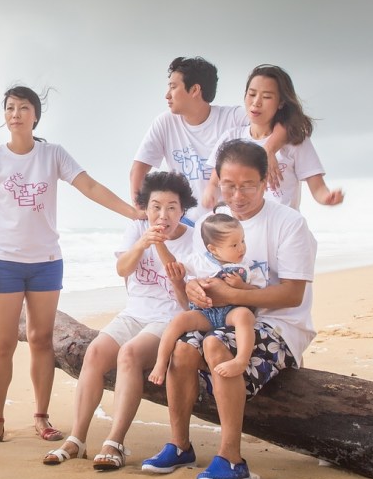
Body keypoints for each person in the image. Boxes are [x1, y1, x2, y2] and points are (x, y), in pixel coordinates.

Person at [0, 87, 145, 446]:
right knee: (3, 341)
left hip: (47, 262)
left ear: (35, 115)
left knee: (40, 339)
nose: (15, 113)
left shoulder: (52, 154)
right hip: (3, 261)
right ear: (4, 115)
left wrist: (133, 213)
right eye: (9, 108)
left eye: (23, 107)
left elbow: (90, 187)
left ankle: (41, 417)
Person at [141, 139, 317, 479]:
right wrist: (192, 288)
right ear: (217, 182)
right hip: (220, 315)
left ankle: (232, 459)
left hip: (279, 323)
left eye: (248, 185)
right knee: (183, 348)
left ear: (265, 182)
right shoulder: (210, 223)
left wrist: (234, 293)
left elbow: (294, 293)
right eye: (228, 185)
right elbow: (200, 277)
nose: (237, 195)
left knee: (215, 344)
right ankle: (180, 446)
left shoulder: (289, 223)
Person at [42, 171, 197, 467]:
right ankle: (77, 439)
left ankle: (115, 443)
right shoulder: (137, 228)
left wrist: (161, 245)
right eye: (155, 207)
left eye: (171, 208)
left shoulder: (193, 240)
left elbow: (185, 301)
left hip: (169, 318)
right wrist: (142, 243)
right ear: (145, 207)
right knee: (96, 352)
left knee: (129, 354)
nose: (162, 215)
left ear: (183, 210)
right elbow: (122, 269)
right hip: (134, 313)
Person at [130, 57, 287, 224]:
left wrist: (269, 149)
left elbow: (287, 122)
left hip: (226, 224)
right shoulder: (165, 122)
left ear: (195, 90)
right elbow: (138, 170)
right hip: (184, 222)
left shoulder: (233, 118)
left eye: (173, 87)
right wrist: (141, 211)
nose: (167, 95)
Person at [201, 64, 344, 211]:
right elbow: (215, 182)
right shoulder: (231, 137)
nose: (256, 102)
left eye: (267, 97)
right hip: (241, 227)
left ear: (281, 102)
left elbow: (318, 187)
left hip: (282, 227)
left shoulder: (295, 141)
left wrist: (327, 198)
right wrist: (210, 192)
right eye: (252, 94)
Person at [147, 213, 267, 388]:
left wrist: (241, 286)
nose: (241, 248)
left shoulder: (248, 267)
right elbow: (173, 266)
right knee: (179, 320)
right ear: (213, 249)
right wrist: (159, 244)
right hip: (205, 313)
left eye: (242, 241)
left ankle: (241, 360)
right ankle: (160, 362)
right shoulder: (199, 261)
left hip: (231, 313)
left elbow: (258, 293)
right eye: (234, 244)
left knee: (245, 316)